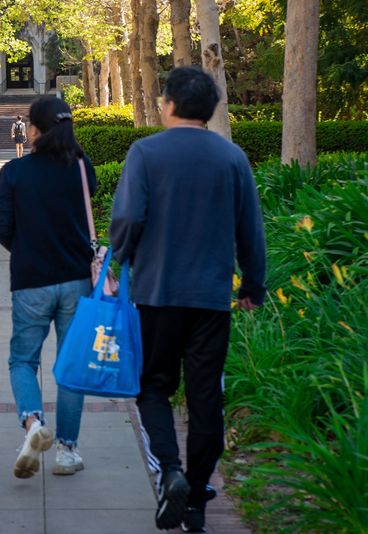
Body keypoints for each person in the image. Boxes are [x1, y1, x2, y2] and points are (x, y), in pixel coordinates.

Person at [110, 66, 266, 532]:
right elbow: (250, 232)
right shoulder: (232, 158)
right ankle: (196, 496)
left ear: (171, 104)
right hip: (211, 298)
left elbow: (128, 218)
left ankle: (171, 471)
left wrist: (121, 258)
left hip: (157, 293)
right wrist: (253, 286)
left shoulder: (145, 153)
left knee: (153, 386)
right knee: (205, 399)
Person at [0, 97, 97, 479]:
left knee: (23, 360)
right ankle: (68, 450)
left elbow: (3, 228)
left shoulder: (15, 172)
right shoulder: (82, 168)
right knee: (70, 366)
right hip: (76, 280)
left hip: (31, 281)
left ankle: (33, 424)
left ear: (34, 130)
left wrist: (26, 250)